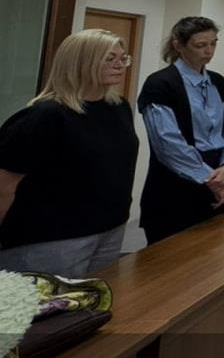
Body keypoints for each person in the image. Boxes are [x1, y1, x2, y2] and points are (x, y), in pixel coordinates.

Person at [0, 29, 139, 276]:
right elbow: (5, 184)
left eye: (123, 58)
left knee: (98, 298)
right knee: (52, 301)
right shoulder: (46, 115)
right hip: (53, 238)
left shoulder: (119, 107)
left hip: (110, 229)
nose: (120, 65)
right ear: (81, 63)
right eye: (110, 58)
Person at [137, 17, 224, 244]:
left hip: (218, 177)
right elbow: (168, 144)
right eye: (200, 45)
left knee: (214, 253)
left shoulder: (217, 82)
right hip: (177, 184)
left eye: (213, 43)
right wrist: (211, 180)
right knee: (172, 257)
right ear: (178, 45)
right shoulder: (160, 83)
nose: (209, 51)